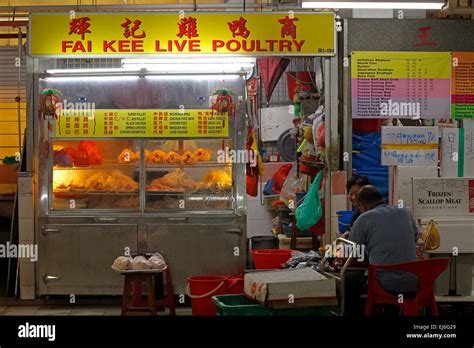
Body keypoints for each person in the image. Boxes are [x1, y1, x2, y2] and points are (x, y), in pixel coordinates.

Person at [344, 185, 419, 316]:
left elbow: (352, 252)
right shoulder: (404, 212)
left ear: (362, 205)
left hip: (385, 284)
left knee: (348, 281)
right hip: (413, 282)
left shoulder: (364, 218)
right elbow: (415, 237)